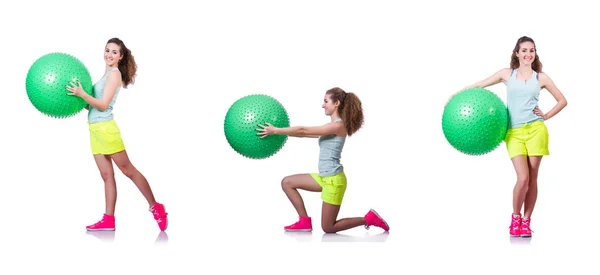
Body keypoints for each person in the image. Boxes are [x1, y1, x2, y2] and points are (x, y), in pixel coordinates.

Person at [447, 36, 567, 237]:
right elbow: (481, 84)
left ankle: (526, 222)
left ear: (534, 53)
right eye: (524, 50)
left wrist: (545, 116)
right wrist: (456, 96)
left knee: (533, 178)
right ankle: (515, 218)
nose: (528, 54)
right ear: (517, 53)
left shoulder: (541, 77)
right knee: (523, 178)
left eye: (532, 50)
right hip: (514, 133)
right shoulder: (507, 74)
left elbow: (562, 100)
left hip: (536, 130)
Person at [66, 38, 168, 231]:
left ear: (120, 57)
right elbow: (94, 105)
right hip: (95, 129)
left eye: (114, 52)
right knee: (106, 175)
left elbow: (103, 106)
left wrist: (82, 94)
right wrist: (78, 100)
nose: (109, 55)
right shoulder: (105, 76)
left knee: (128, 170)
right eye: (107, 50)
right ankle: (108, 220)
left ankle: (156, 207)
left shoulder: (114, 75)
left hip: (106, 129)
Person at [256, 87, 389, 233]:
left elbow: (304, 130)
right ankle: (304, 221)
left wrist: (276, 130)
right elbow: (304, 134)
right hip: (324, 178)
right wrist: (280, 133)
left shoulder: (338, 126)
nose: (323, 105)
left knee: (328, 227)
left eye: (326, 101)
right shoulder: (331, 127)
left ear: (336, 103)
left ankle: (369, 218)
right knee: (287, 182)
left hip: (334, 181)